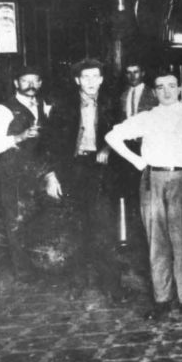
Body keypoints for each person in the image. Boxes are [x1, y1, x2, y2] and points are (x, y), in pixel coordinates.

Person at [106, 71, 182, 320]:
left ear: (179, 89)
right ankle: (162, 300)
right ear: (154, 92)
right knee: (157, 242)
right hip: (152, 179)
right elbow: (112, 136)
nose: (166, 91)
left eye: (171, 86)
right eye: (160, 87)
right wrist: (137, 161)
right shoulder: (146, 117)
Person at [43, 59, 123, 303]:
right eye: (85, 77)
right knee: (74, 229)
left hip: (100, 172)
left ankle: (112, 286)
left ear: (101, 79)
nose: (90, 82)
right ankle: (76, 282)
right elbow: (48, 144)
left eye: (95, 77)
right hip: (73, 171)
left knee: (104, 229)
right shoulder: (63, 107)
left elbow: (122, 132)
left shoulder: (111, 104)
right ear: (77, 80)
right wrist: (50, 176)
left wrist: (108, 148)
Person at [0, 66, 53, 283]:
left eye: (35, 81)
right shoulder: (3, 109)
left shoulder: (44, 105)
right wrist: (19, 137)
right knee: (16, 221)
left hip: (37, 171)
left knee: (36, 218)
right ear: (16, 83)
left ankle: (40, 266)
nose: (31, 85)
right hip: (12, 172)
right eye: (25, 81)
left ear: (40, 83)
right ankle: (23, 272)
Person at [114, 60, 158, 278]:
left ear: (143, 72)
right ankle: (136, 249)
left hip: (147, 150)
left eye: (136, 71)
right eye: (128, 73)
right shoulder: (122, 96)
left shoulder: (154, 94)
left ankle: (150, 249)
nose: (132, 76)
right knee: (132, 199)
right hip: (128, 152)